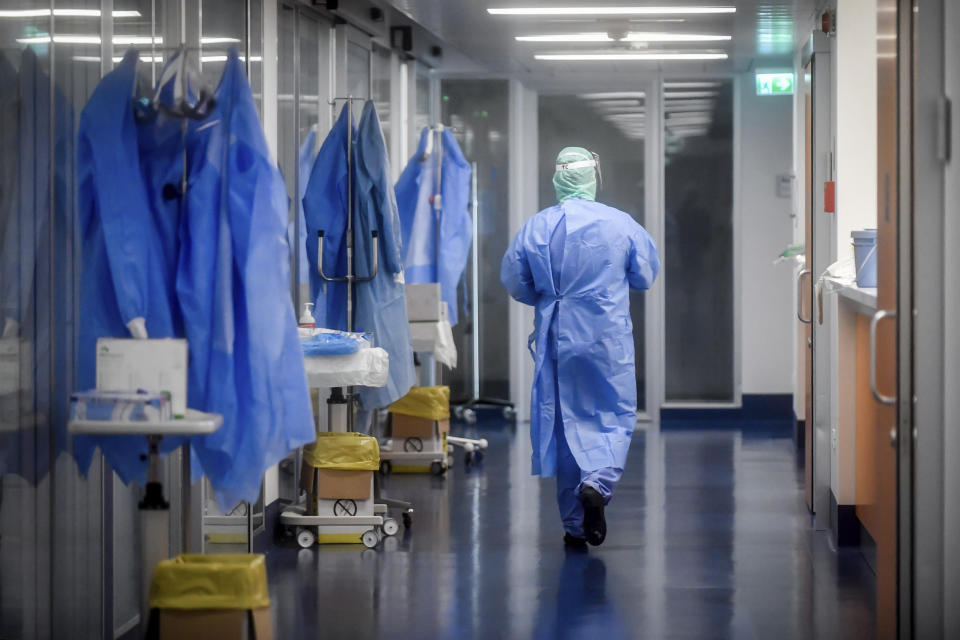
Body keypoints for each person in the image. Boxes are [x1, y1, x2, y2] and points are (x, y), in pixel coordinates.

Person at [501, 147, 659, 547]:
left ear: (557, 178)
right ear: (594, 178)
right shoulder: (621, 224)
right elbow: (644, 276)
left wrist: (553, 295)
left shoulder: (536, 227)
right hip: (607, 339)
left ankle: (574, 525)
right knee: (612, 414)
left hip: (557, 337)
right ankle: (599, 483)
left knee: (566, 422)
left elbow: (516, 282)